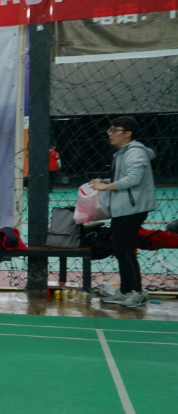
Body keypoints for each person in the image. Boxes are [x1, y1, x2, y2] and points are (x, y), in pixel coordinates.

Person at [90, 116, 156, 308]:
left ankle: (136, 292)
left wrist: (105, 187)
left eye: (114, 130)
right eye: (109, 130)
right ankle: (126, 291)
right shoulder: (122, 152)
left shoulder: (135, 152)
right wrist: (104, 182)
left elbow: (133, 179)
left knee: (125, 250)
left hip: (132, 209)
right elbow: (123, 178)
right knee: (120, 250)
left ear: (128, 134)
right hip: (123, 209)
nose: (110, 134)